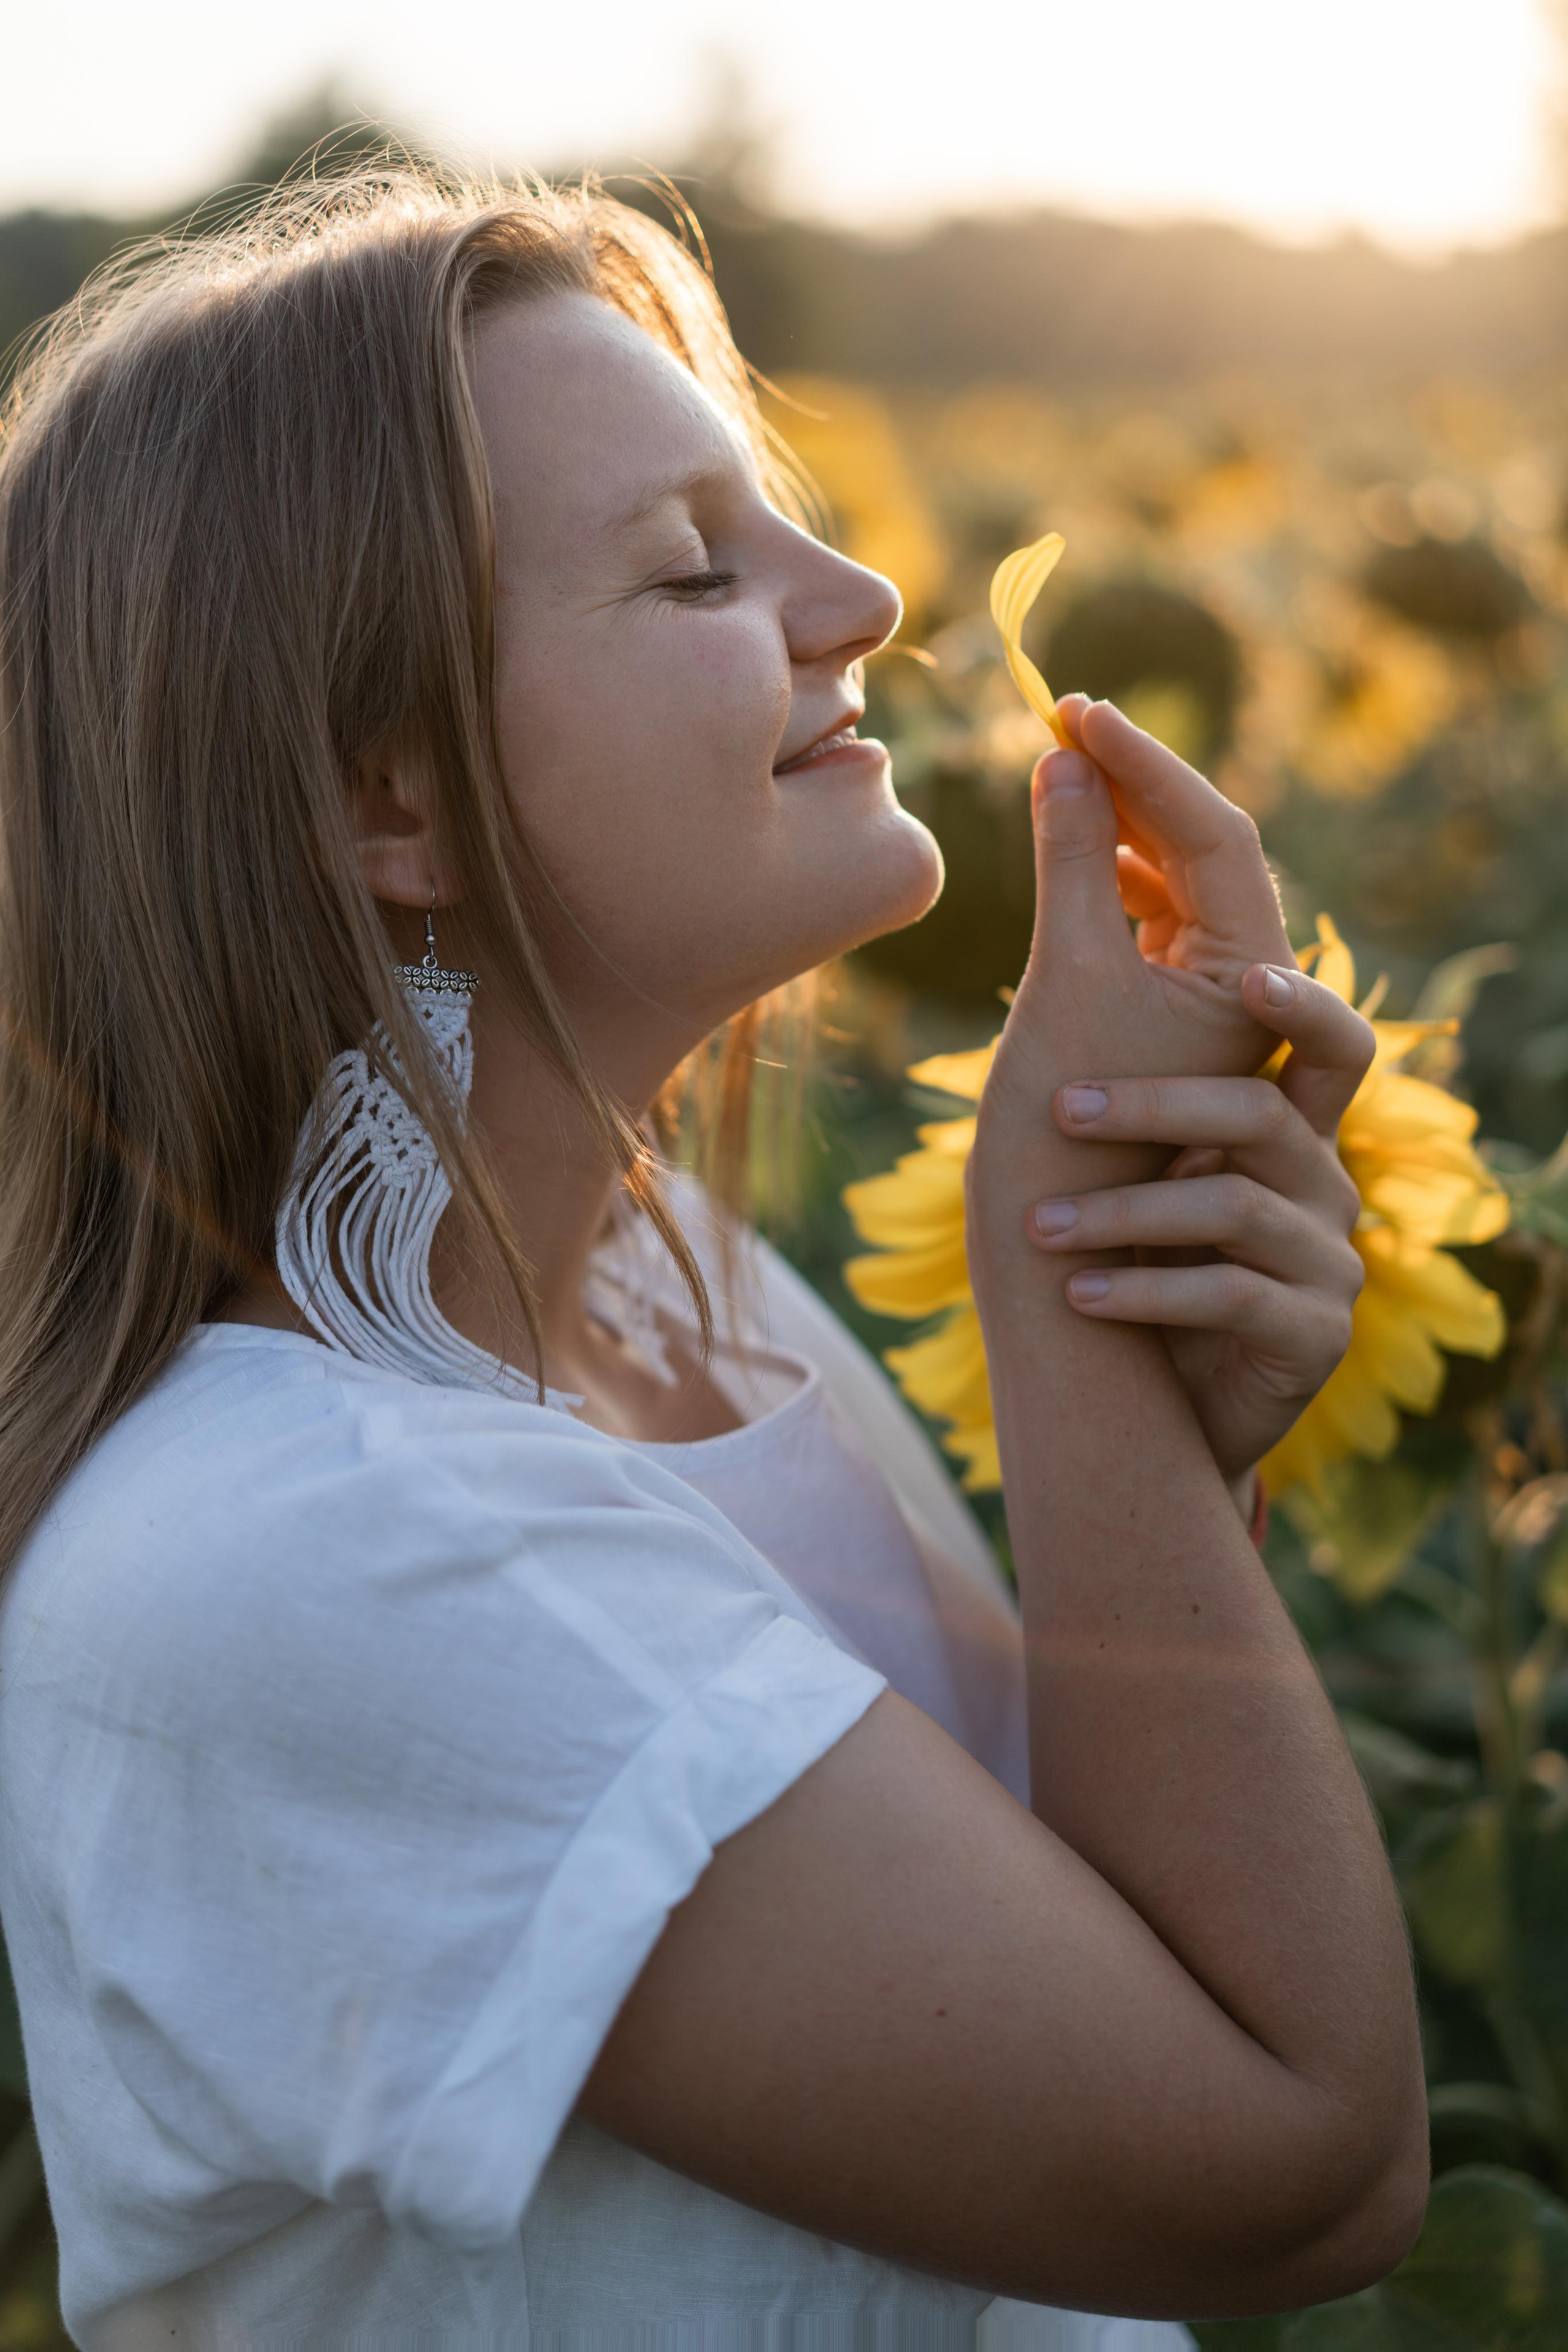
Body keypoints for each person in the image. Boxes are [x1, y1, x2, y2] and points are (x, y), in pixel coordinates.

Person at [0, 172, 1427, 2348]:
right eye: (693, 569)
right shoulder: (306, 1559)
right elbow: (1292, 2176)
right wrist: (1067, 1338)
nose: (861, 592)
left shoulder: (705, 1312)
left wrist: (1157, 1406)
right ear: (393, 796)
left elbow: (1090, 1950)